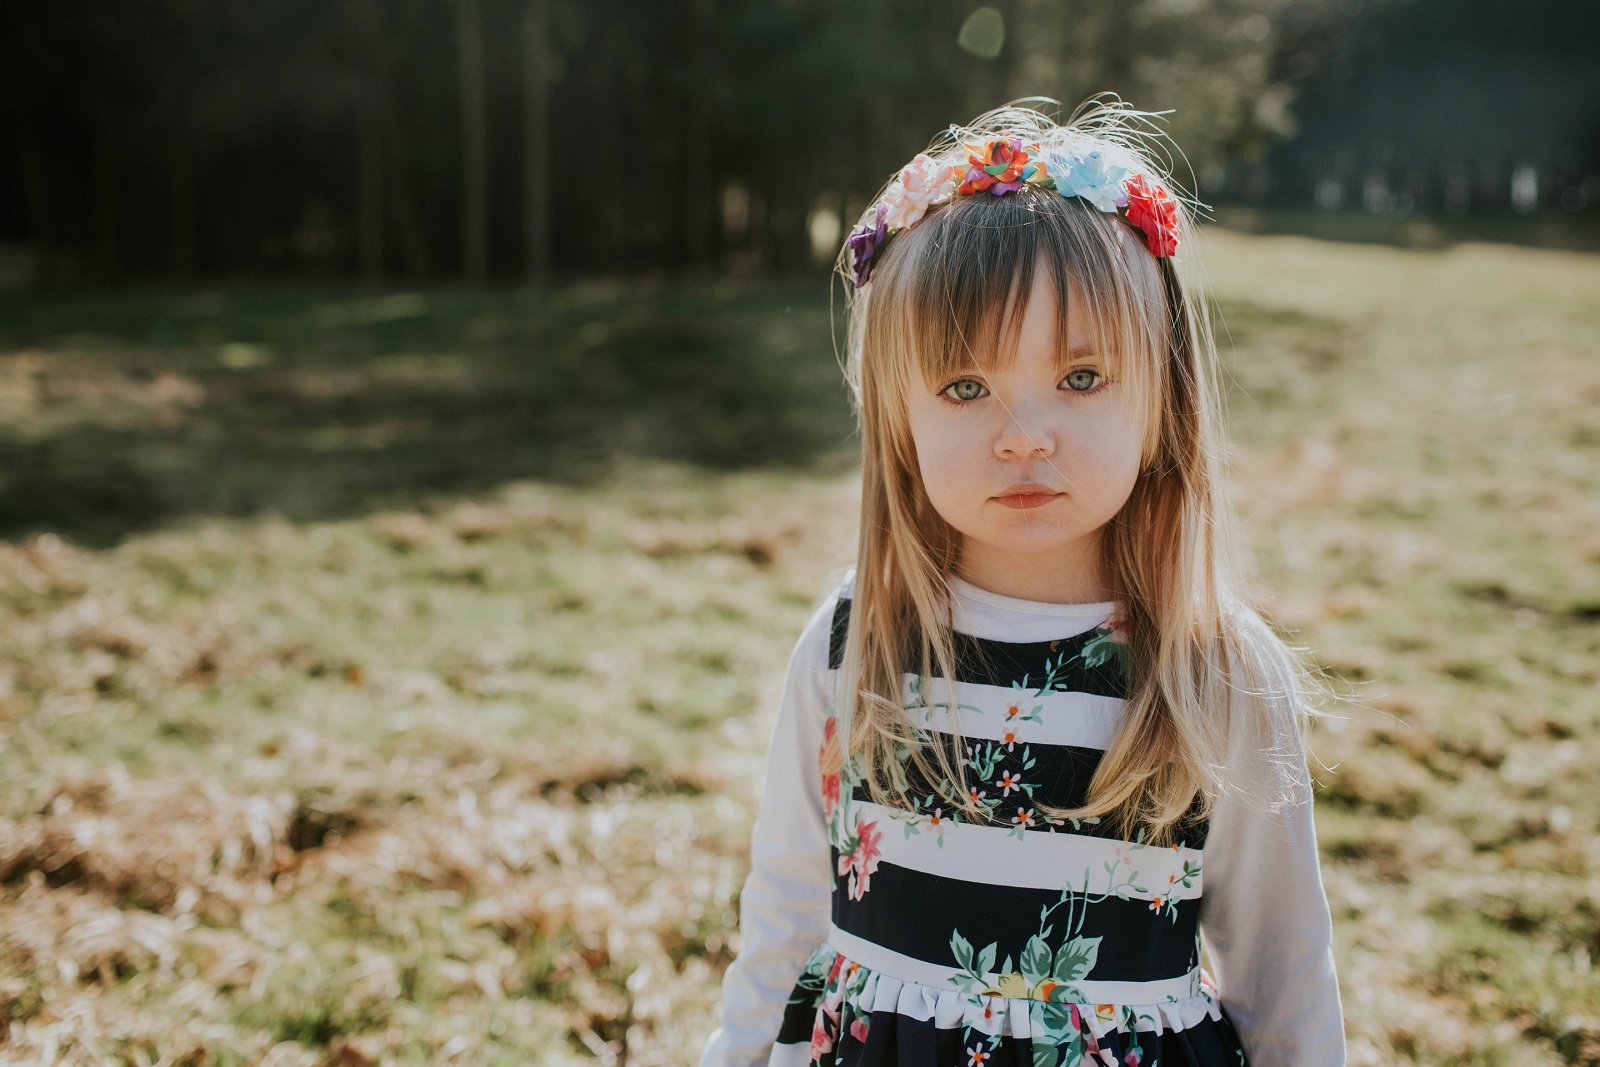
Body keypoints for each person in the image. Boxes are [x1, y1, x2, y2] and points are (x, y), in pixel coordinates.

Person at [698, 98, 1345, 1067]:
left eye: (1080, 377)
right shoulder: (854, 637)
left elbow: (1282, 971)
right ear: (898, 422)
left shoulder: (1214, 670)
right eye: (966, 388)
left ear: (1162, 394)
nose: (1023, 433)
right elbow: (788, 902)